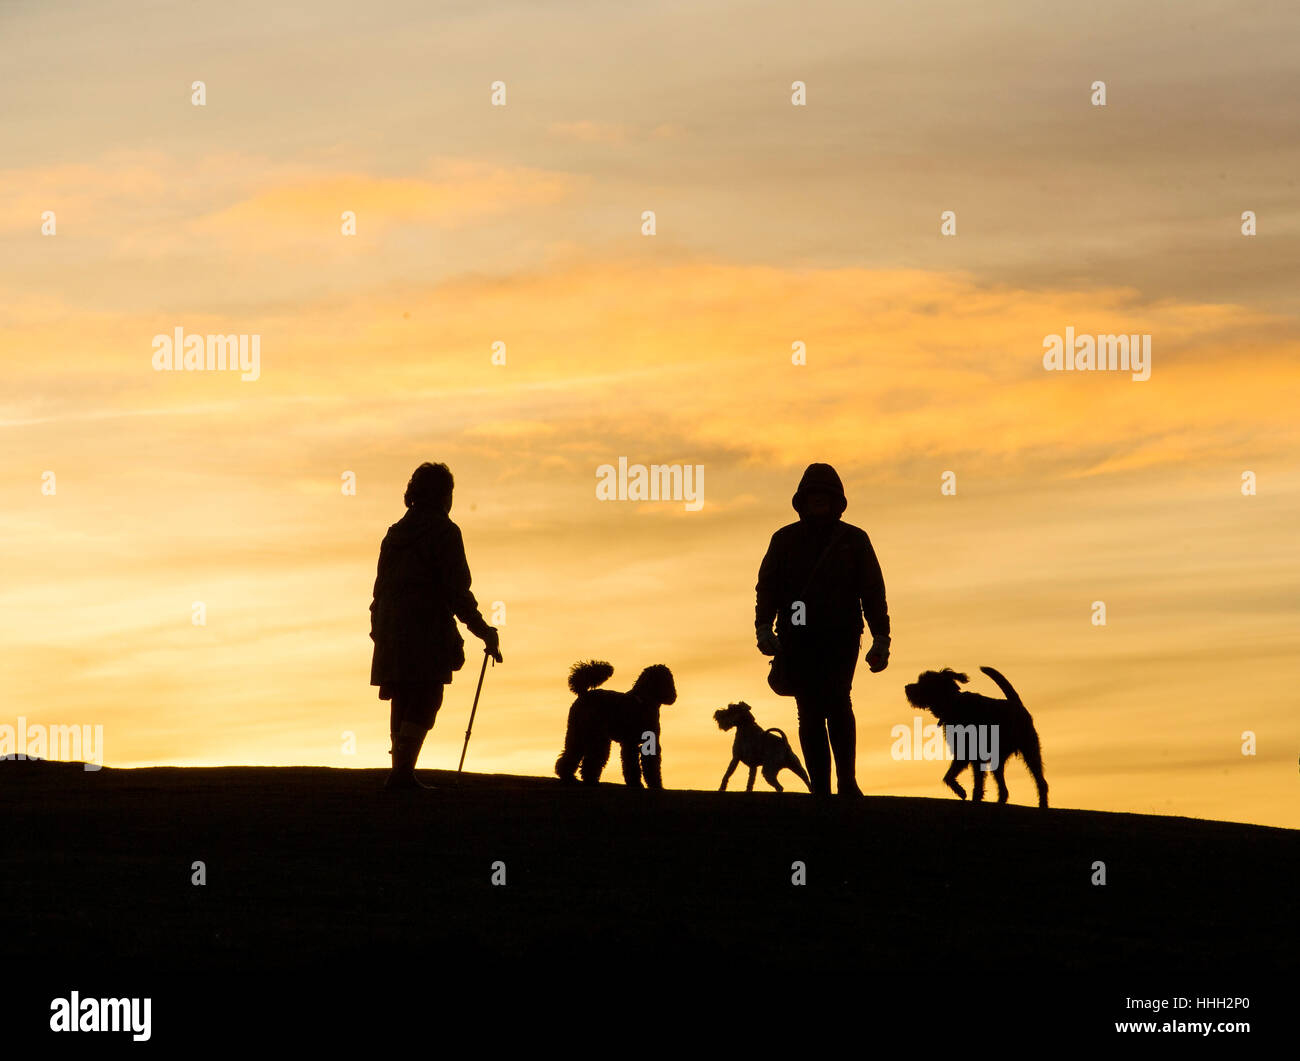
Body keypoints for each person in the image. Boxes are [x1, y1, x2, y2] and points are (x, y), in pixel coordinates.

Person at [755, 463, 890, 797]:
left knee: (839, 704)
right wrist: (762, 627)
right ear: (802, 501)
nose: (818, 501)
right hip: (797, 638)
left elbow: (872, 590)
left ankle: (847, 783)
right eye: (812, 495)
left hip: (841, 636)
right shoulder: (783, 539)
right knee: (809, 712)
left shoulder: (854, 540)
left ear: (836, 501)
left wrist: (882, 637)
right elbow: (767, 588)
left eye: (824, 496)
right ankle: (821, 790)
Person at [370, 462, 502, 790]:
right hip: (424, 625)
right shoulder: (444, 531)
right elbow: (456, 590)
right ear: (444, 495)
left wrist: (378, 626)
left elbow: (380, 587)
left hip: (390, 625)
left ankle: (400, 772)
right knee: (426, 695)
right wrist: (483, 629)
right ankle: (401, 774)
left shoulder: (395, 533)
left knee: (403, 694)